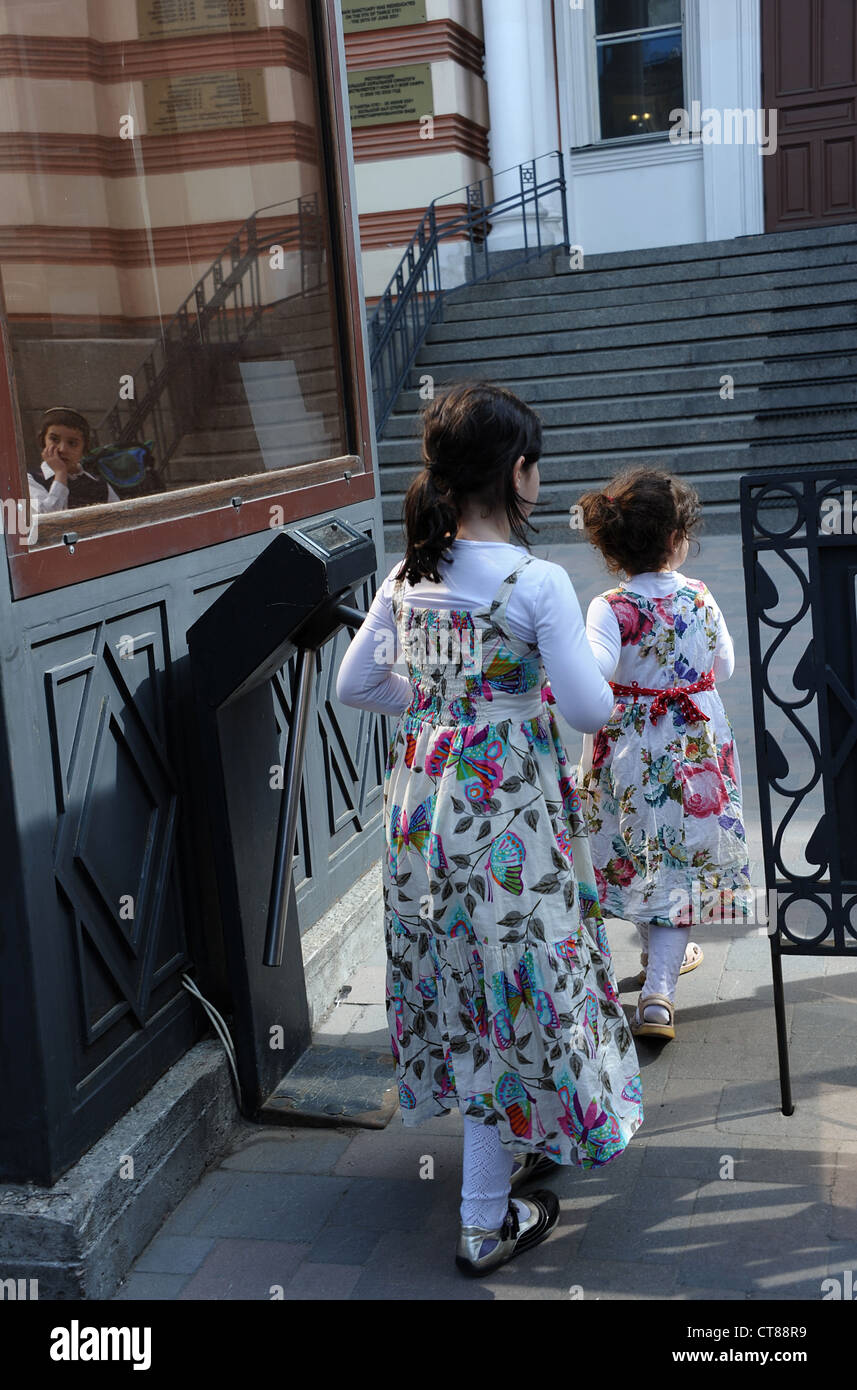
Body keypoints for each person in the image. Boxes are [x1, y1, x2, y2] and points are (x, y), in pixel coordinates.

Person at [336, 384, 643, 1278]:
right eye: (534, 462)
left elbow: (352, 688)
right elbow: (588, 708)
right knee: (515, 987)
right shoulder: (536, 581)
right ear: (516, 472)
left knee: (462, 978)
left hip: (424, 808)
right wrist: (569, 661)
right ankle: (482, 1219)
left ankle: (514, 1144)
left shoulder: (410, 573)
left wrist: (439, 710)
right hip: (506, 810)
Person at [577, 467, 752, 1041]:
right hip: (696, 742)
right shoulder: (699, 594)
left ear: (611, 547)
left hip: (630, 747)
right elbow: (723, 666)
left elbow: (596, 670)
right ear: (677, 537)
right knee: (678, 861)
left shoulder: (609, 607)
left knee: (639, 851)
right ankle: (659, 994)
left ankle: (651, 967)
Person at [28, 408, 118, 512]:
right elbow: (46, 521)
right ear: (43, 441)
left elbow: (121, 521)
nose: (62, 449)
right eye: (54, 439)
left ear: (83, 448)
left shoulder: (99, 485)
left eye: (72, 443)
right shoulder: (31, 480)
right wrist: (60, 474)